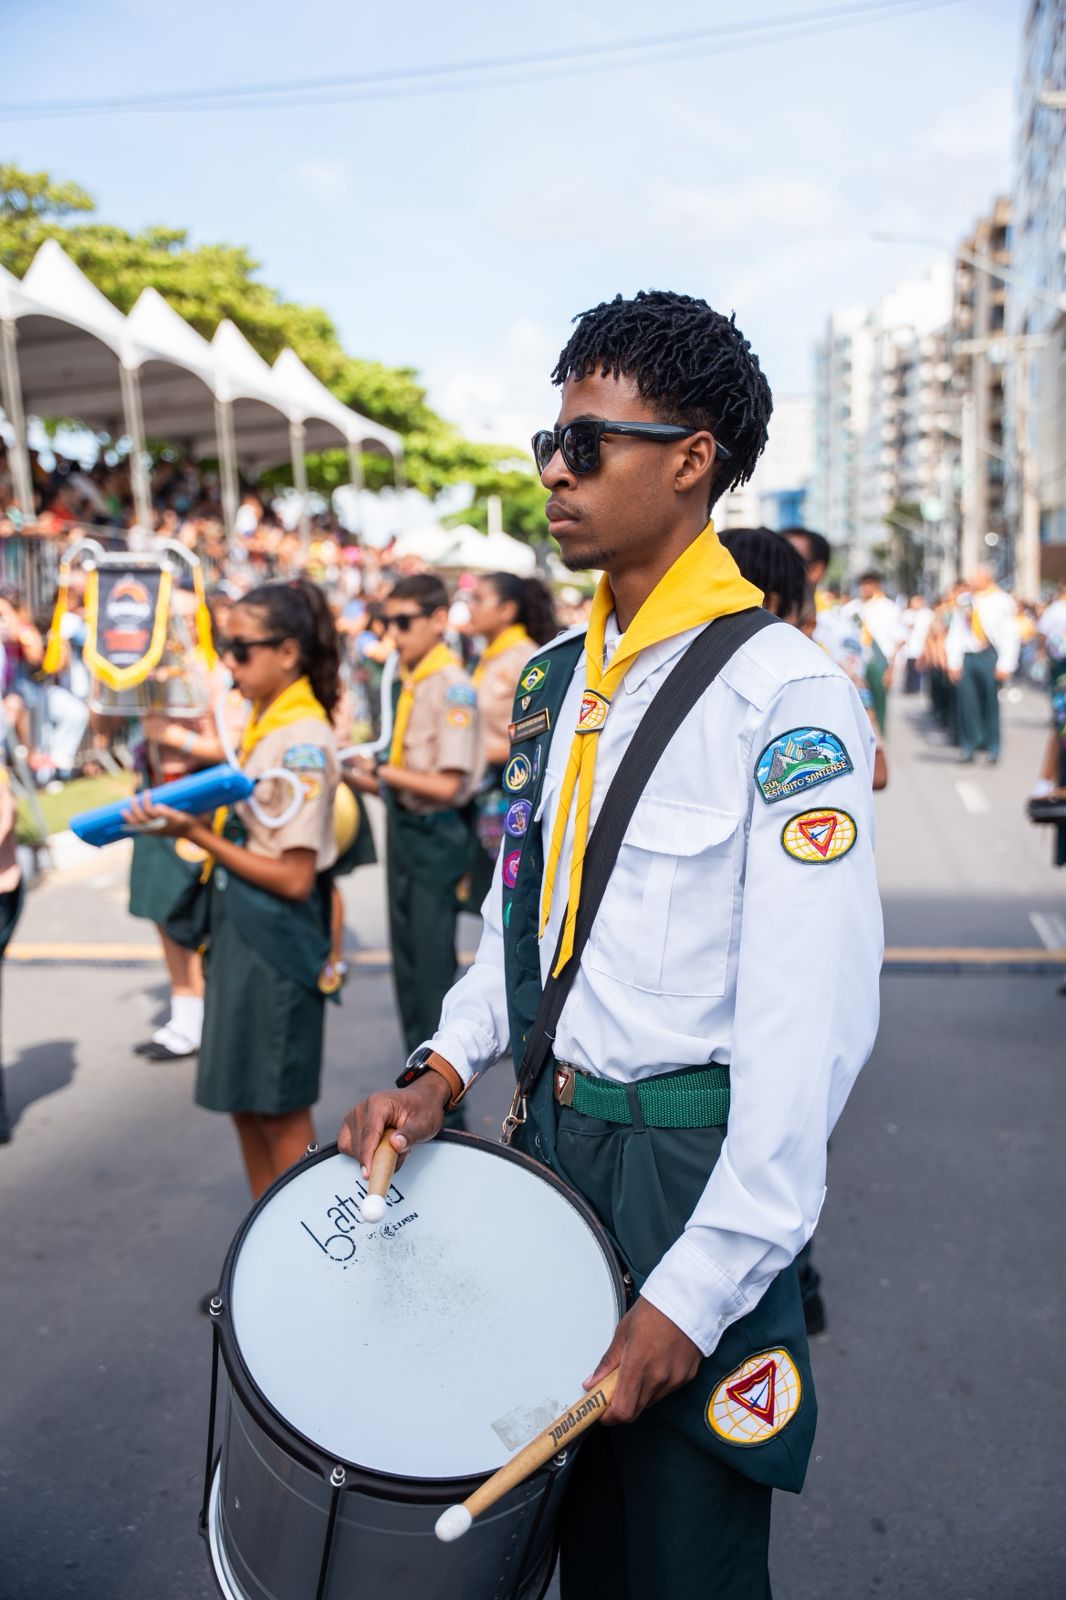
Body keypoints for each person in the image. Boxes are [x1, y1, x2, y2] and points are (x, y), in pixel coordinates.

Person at [338, 289, 882, 1599]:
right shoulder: (545, 683)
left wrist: (690, 1297)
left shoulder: (789, 699)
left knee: (677, 1556)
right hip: (553, 1152)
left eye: (587, 442)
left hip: (693, 1171)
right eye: (549, 438)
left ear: (690, 458)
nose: (552, 470)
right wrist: (438, 1070)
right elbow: (515, 932)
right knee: (554, 1544)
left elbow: (808, 1043)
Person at [124, 580, 341, 1201]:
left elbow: (295, 875)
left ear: (289, 653)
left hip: (276, 942)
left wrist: (198, 832)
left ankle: (305, 1259)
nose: (229, 662)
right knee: (247, 1106)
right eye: (226, 647)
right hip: (246, 933)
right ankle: (261, 1260)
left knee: (278, 1110)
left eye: (241, 649)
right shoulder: (270, 723)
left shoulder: (299, 739)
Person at [345, 574, 484, 1067]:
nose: (393, 634)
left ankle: (444, 1092)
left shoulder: (451, 687)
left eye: (403, 622)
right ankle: (416, 1072)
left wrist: (380, 770)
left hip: (435, 834)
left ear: (438, 620)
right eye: (386, 623)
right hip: (405, 829)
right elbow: (396, 781)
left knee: (429, 970)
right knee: (405, 967)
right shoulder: (410, 681)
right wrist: (350, 771)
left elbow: (447, 786)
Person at [466, 572, 558, 899]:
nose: (469, 607)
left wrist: (481, 750)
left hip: (512, 796)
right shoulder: (490, 656)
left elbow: (537, 732)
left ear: (507, 610)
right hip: (484, 792)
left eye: (478, 599)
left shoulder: (525, 658)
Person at [945, 566, 1020, 764]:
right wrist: (953, 661)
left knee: (990, 703)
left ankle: (992, 747)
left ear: (987, 576)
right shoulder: (965, 599)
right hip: (968, 656)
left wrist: (1006, 663)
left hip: (989, 654)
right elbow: (956, 631)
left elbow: (1009, 633)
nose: (972, 579)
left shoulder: (1002, 600)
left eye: (976, 575)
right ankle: (968, 746)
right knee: (967, 703)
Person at [856, 571, 904, 734]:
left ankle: (879, 738)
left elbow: (899, 640)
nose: (866, 588)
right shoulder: (851, 608)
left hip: (879, 659)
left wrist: (891, 669)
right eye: (863, 584)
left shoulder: (888, 608)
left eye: (870, 584)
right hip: (856, 660)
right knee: (858, 702)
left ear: (877, 586)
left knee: (879, 701)